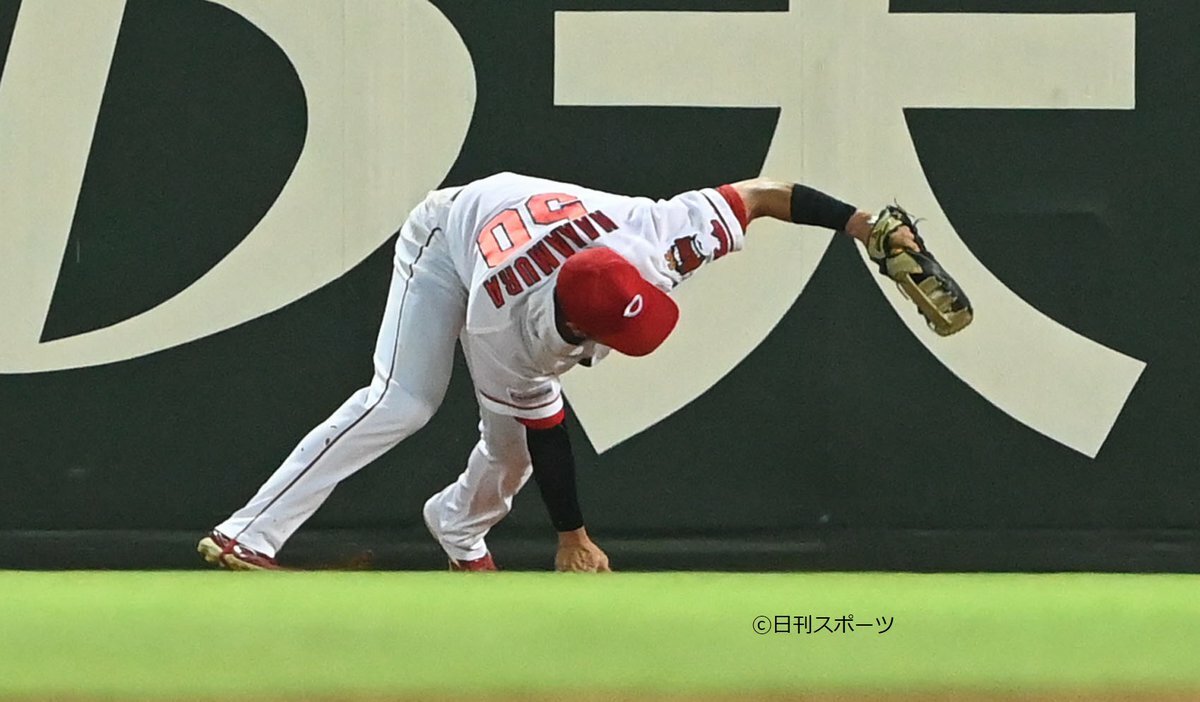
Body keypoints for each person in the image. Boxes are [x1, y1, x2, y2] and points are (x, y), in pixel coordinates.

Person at [197, 173, 922, 572]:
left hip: (514, 227)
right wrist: (572, 535)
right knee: (404, 399)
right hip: (446, 241)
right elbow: (548, 430)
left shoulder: (657, 239)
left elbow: (766, 195)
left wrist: (861, 224)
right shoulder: (510, 328)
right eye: (618, 332)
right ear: (574, 326)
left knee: (506, 446)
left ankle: (458, 527)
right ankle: (247, 532)